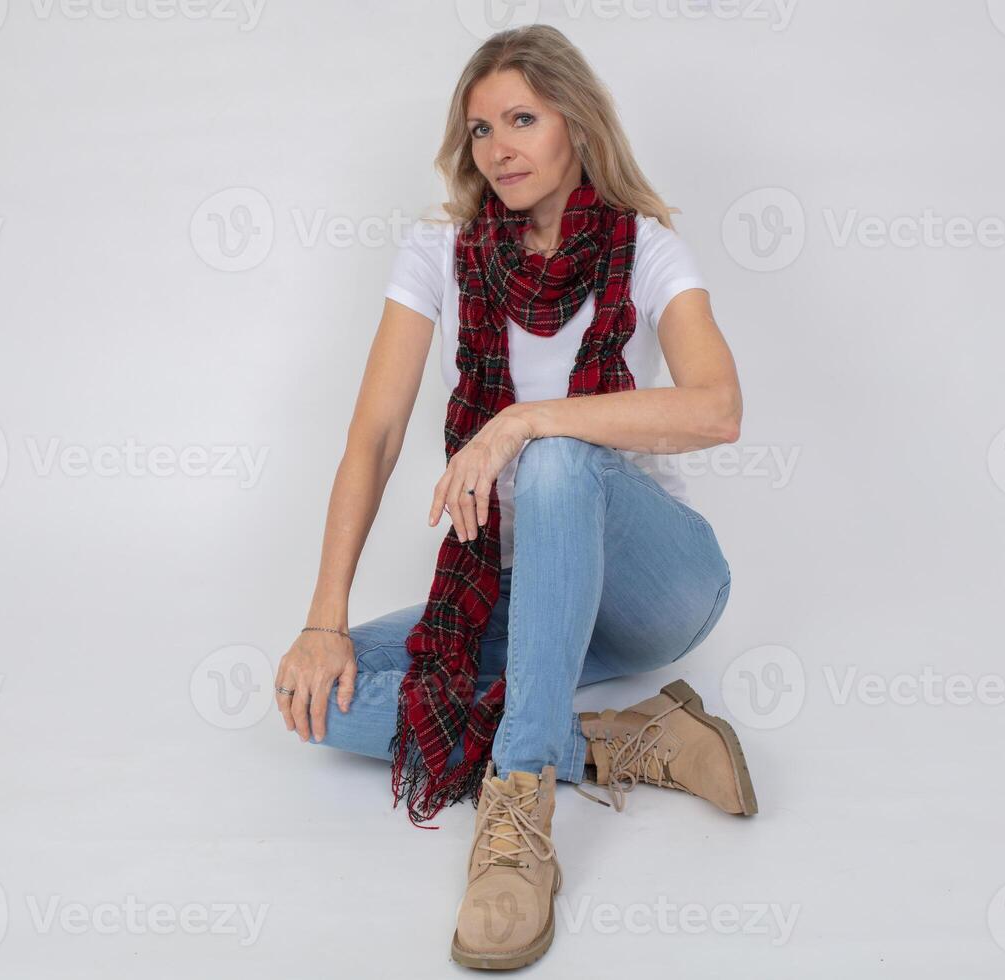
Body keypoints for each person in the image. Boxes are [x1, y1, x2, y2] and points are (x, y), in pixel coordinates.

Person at [269, 25, 758, 971]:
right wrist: (323, 617)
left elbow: (718, 408)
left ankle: (523, 800)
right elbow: (369, 437)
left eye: (522, 119)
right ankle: (626, 742)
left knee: (560, 458)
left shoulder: (645, 248)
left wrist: (525, 423)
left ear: (575, 119)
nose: (499, 147)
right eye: (482, 127)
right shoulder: (439, 249)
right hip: (528, 596)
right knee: (318, 700)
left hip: (657, 590)